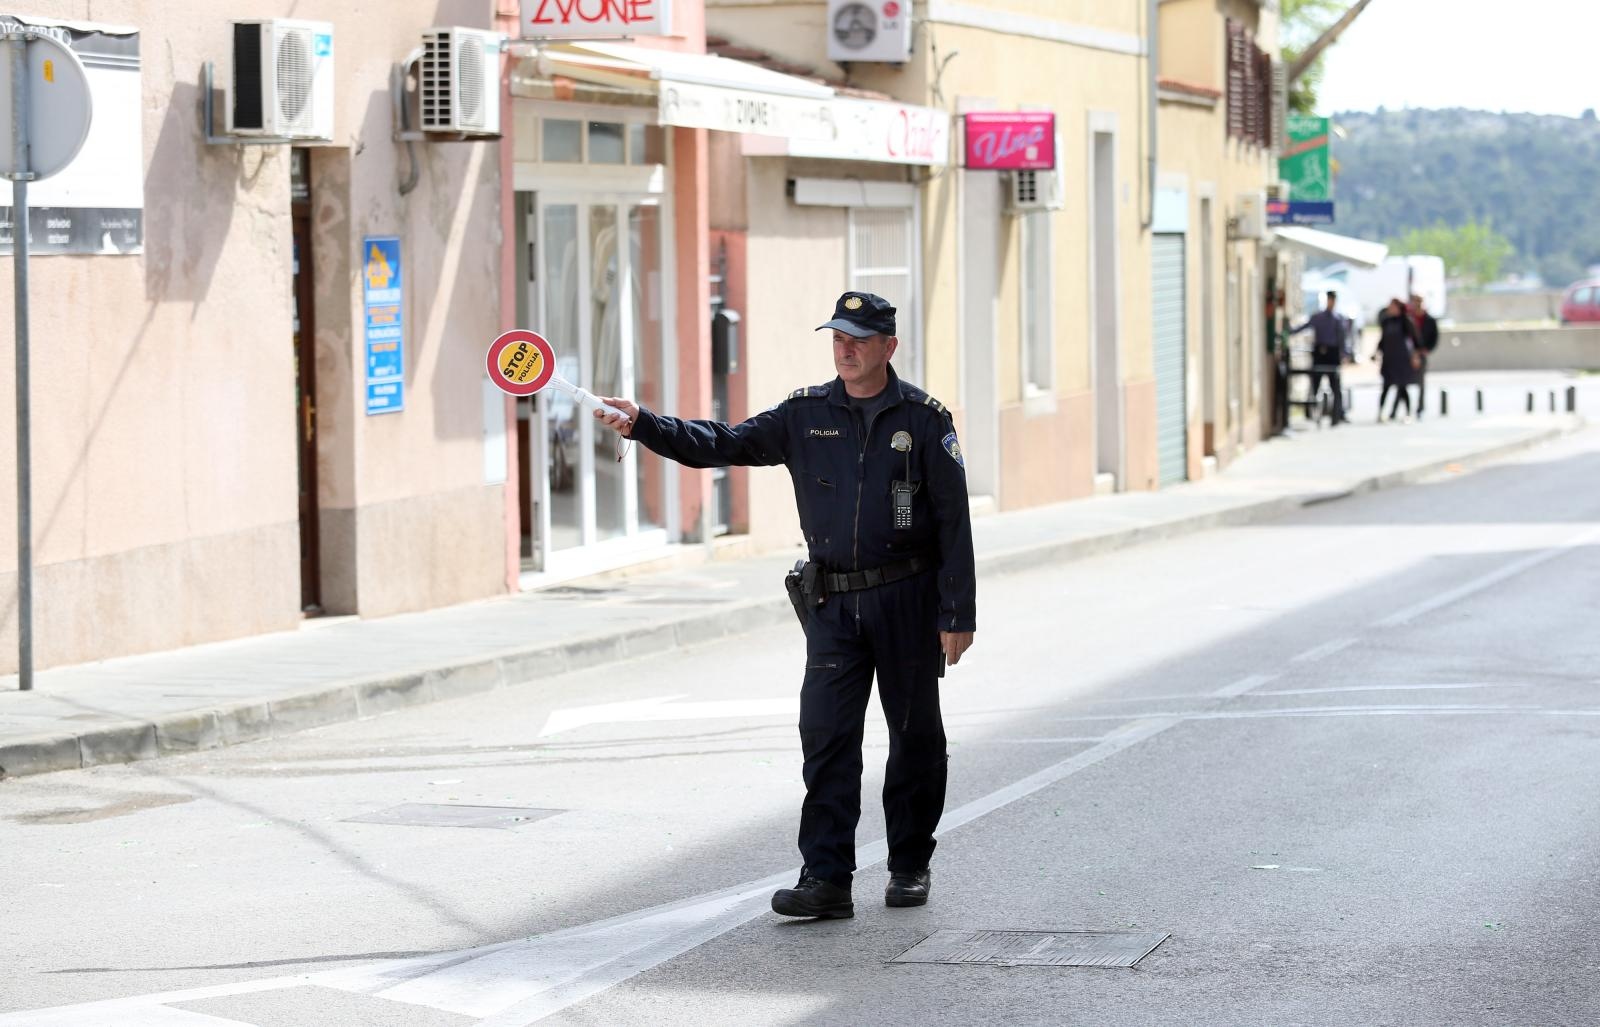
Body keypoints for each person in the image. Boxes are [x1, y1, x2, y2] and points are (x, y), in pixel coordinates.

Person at [593, 291, 976, 921]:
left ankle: (909, 864)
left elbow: (953, 522)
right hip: (832, 605)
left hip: (907, 600)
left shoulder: (925, 421)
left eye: (857, 338)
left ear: (889, 346)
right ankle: (825, 878)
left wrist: (956, 613)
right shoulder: (805, 415)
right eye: (836, 338)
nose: (844, 349)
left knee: (914, 738)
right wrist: (643, 425)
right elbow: (723, 443)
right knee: (826, 738)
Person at [1288, 290, 1353, 424]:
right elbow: (1304, 327)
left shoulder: (1338, 319)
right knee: (1315, 383)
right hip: (1320, 352)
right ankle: (1310, 410)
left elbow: (1342, 338)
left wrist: (1344, 353)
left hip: (1333, 353)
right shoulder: (1318, 317)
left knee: (1335, 385)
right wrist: (1290, 331)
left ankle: (1338, 413)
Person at [1373, 298, 1418, 421]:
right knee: (1386, 387)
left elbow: (1414, 339)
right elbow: (1383, 340)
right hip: (1389, 359)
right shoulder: (1386, 322)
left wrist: (1415, 356)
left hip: (1401, 359)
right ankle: (1381, 413)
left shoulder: (1405, 321)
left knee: (1402, 387)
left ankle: (1408, 413)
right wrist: (1376, 352)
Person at [1410, 294, 1440, 417]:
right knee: (1402, 381)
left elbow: (1435, 337)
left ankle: (1420, 408)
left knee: (1421, 382)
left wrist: (1426, 349)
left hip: (1422, 353)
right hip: (1409, 354)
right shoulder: (1409, 318)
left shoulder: (1429, 320)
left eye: (1419, 301)